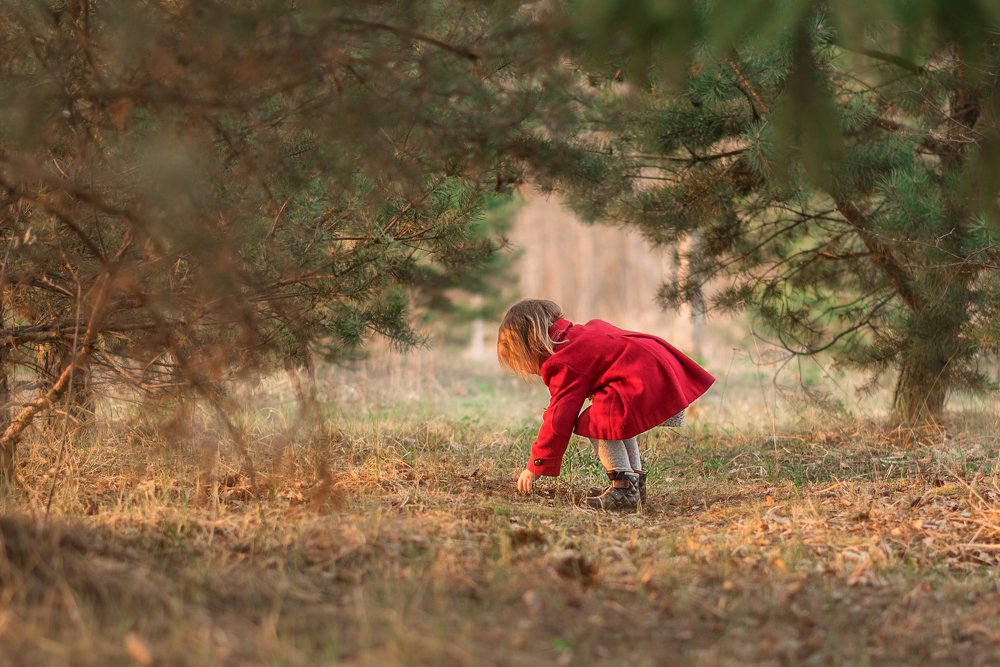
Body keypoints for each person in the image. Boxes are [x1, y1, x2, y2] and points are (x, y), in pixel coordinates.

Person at [497, 299, 714, 511]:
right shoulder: (580, 336)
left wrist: (535, 466)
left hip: (648, 382)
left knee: (599, 421)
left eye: (520, 358)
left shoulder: (565, 359)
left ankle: (624, 489)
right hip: (660, 373)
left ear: (530, 343)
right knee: (614, 418)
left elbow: (558, 418)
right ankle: (633, 486)